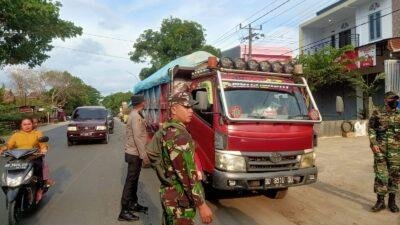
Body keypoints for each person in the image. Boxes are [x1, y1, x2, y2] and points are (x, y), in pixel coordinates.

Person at [160, 91, 213, 225]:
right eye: (186, 107)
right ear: (174, 109)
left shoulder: (169, 129)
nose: (191, 111)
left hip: (172, 197)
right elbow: (187, 175)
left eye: (192, 107)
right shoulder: (179, 136)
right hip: (179, 202)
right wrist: (201, 205)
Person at [118, 95, 150, 221]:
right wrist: (144, 155)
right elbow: (137, 137)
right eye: (144, 101)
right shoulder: (135, 116)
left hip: (134, 153)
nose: (146, 102)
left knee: (134, 180)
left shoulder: (137, 114)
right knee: (130, 182)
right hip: (134, 154)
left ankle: (133, 204)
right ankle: (124, 211)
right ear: (141, 103)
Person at [0, 117, 48, 199]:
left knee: (38, 170)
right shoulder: (16, 135)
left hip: (34, 157)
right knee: (9, 170)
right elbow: (9, 145)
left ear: (32, 124)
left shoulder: (37, 133)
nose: (27, 126)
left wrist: (43, 149)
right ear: (21, 126)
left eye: (29, 124)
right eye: (24, 124)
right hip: (18, 158)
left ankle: (40, 188)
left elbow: (43, 144)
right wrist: (2, 149)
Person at [368, 91, 400, 213]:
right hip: (380, 150)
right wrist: (373, 143)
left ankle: (392, 202)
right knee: (381, 175)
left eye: (396, 100)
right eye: (393, 100)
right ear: (386, 101)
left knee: (395, 176)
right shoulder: (377, 113)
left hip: (396, 151)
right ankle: (380, 201)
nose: (395, 102)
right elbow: (371, 128)